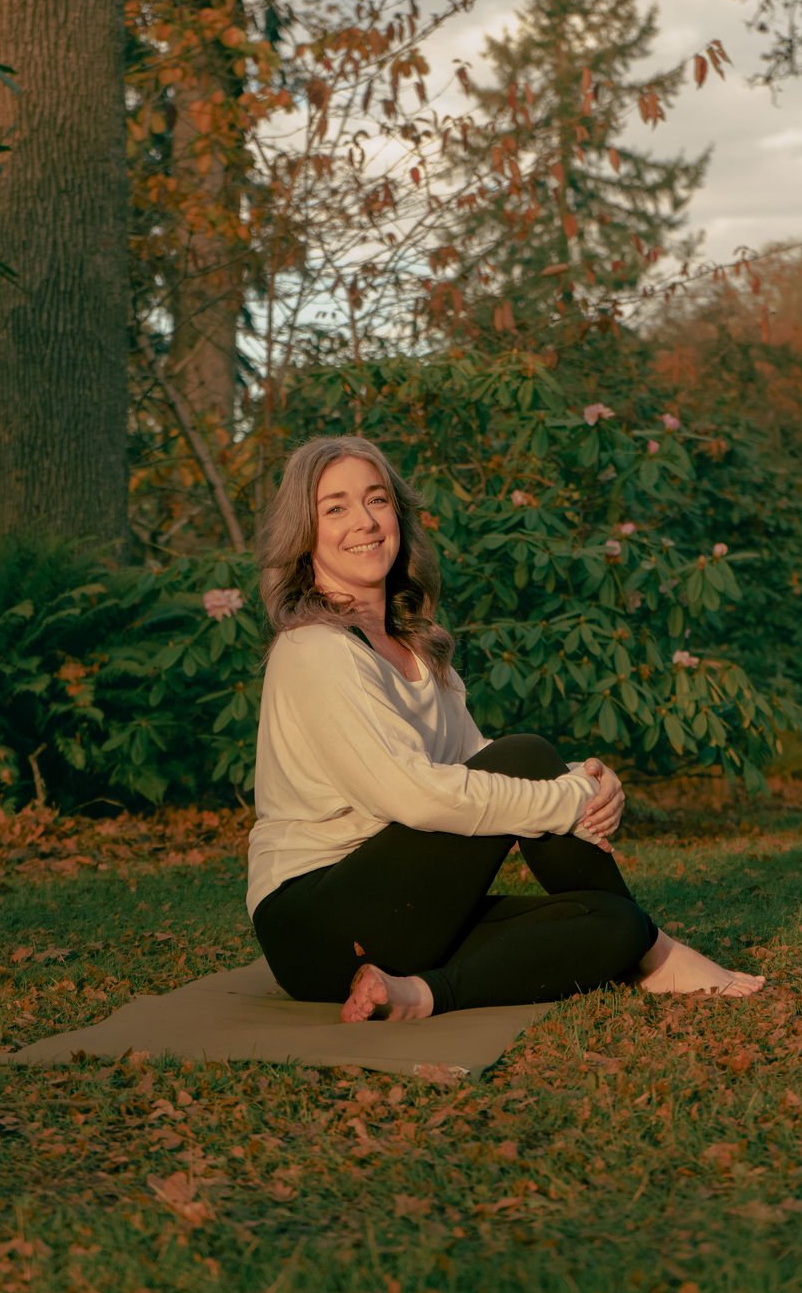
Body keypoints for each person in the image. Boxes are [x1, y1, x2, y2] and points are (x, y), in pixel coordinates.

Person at [247, 434, 765, 1023]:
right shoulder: (315, 648)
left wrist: (584, 782)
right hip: (317, 922)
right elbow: (411, 793)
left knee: (611, 923)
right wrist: (565, 799)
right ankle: (658, 955)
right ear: (304, 533)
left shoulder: (413, 647)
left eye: (377, 499)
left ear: (398, 513)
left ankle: (421, 993)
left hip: (407, 910)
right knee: (527, 753)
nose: (364, 521)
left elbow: (473, 759)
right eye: (335, 507)